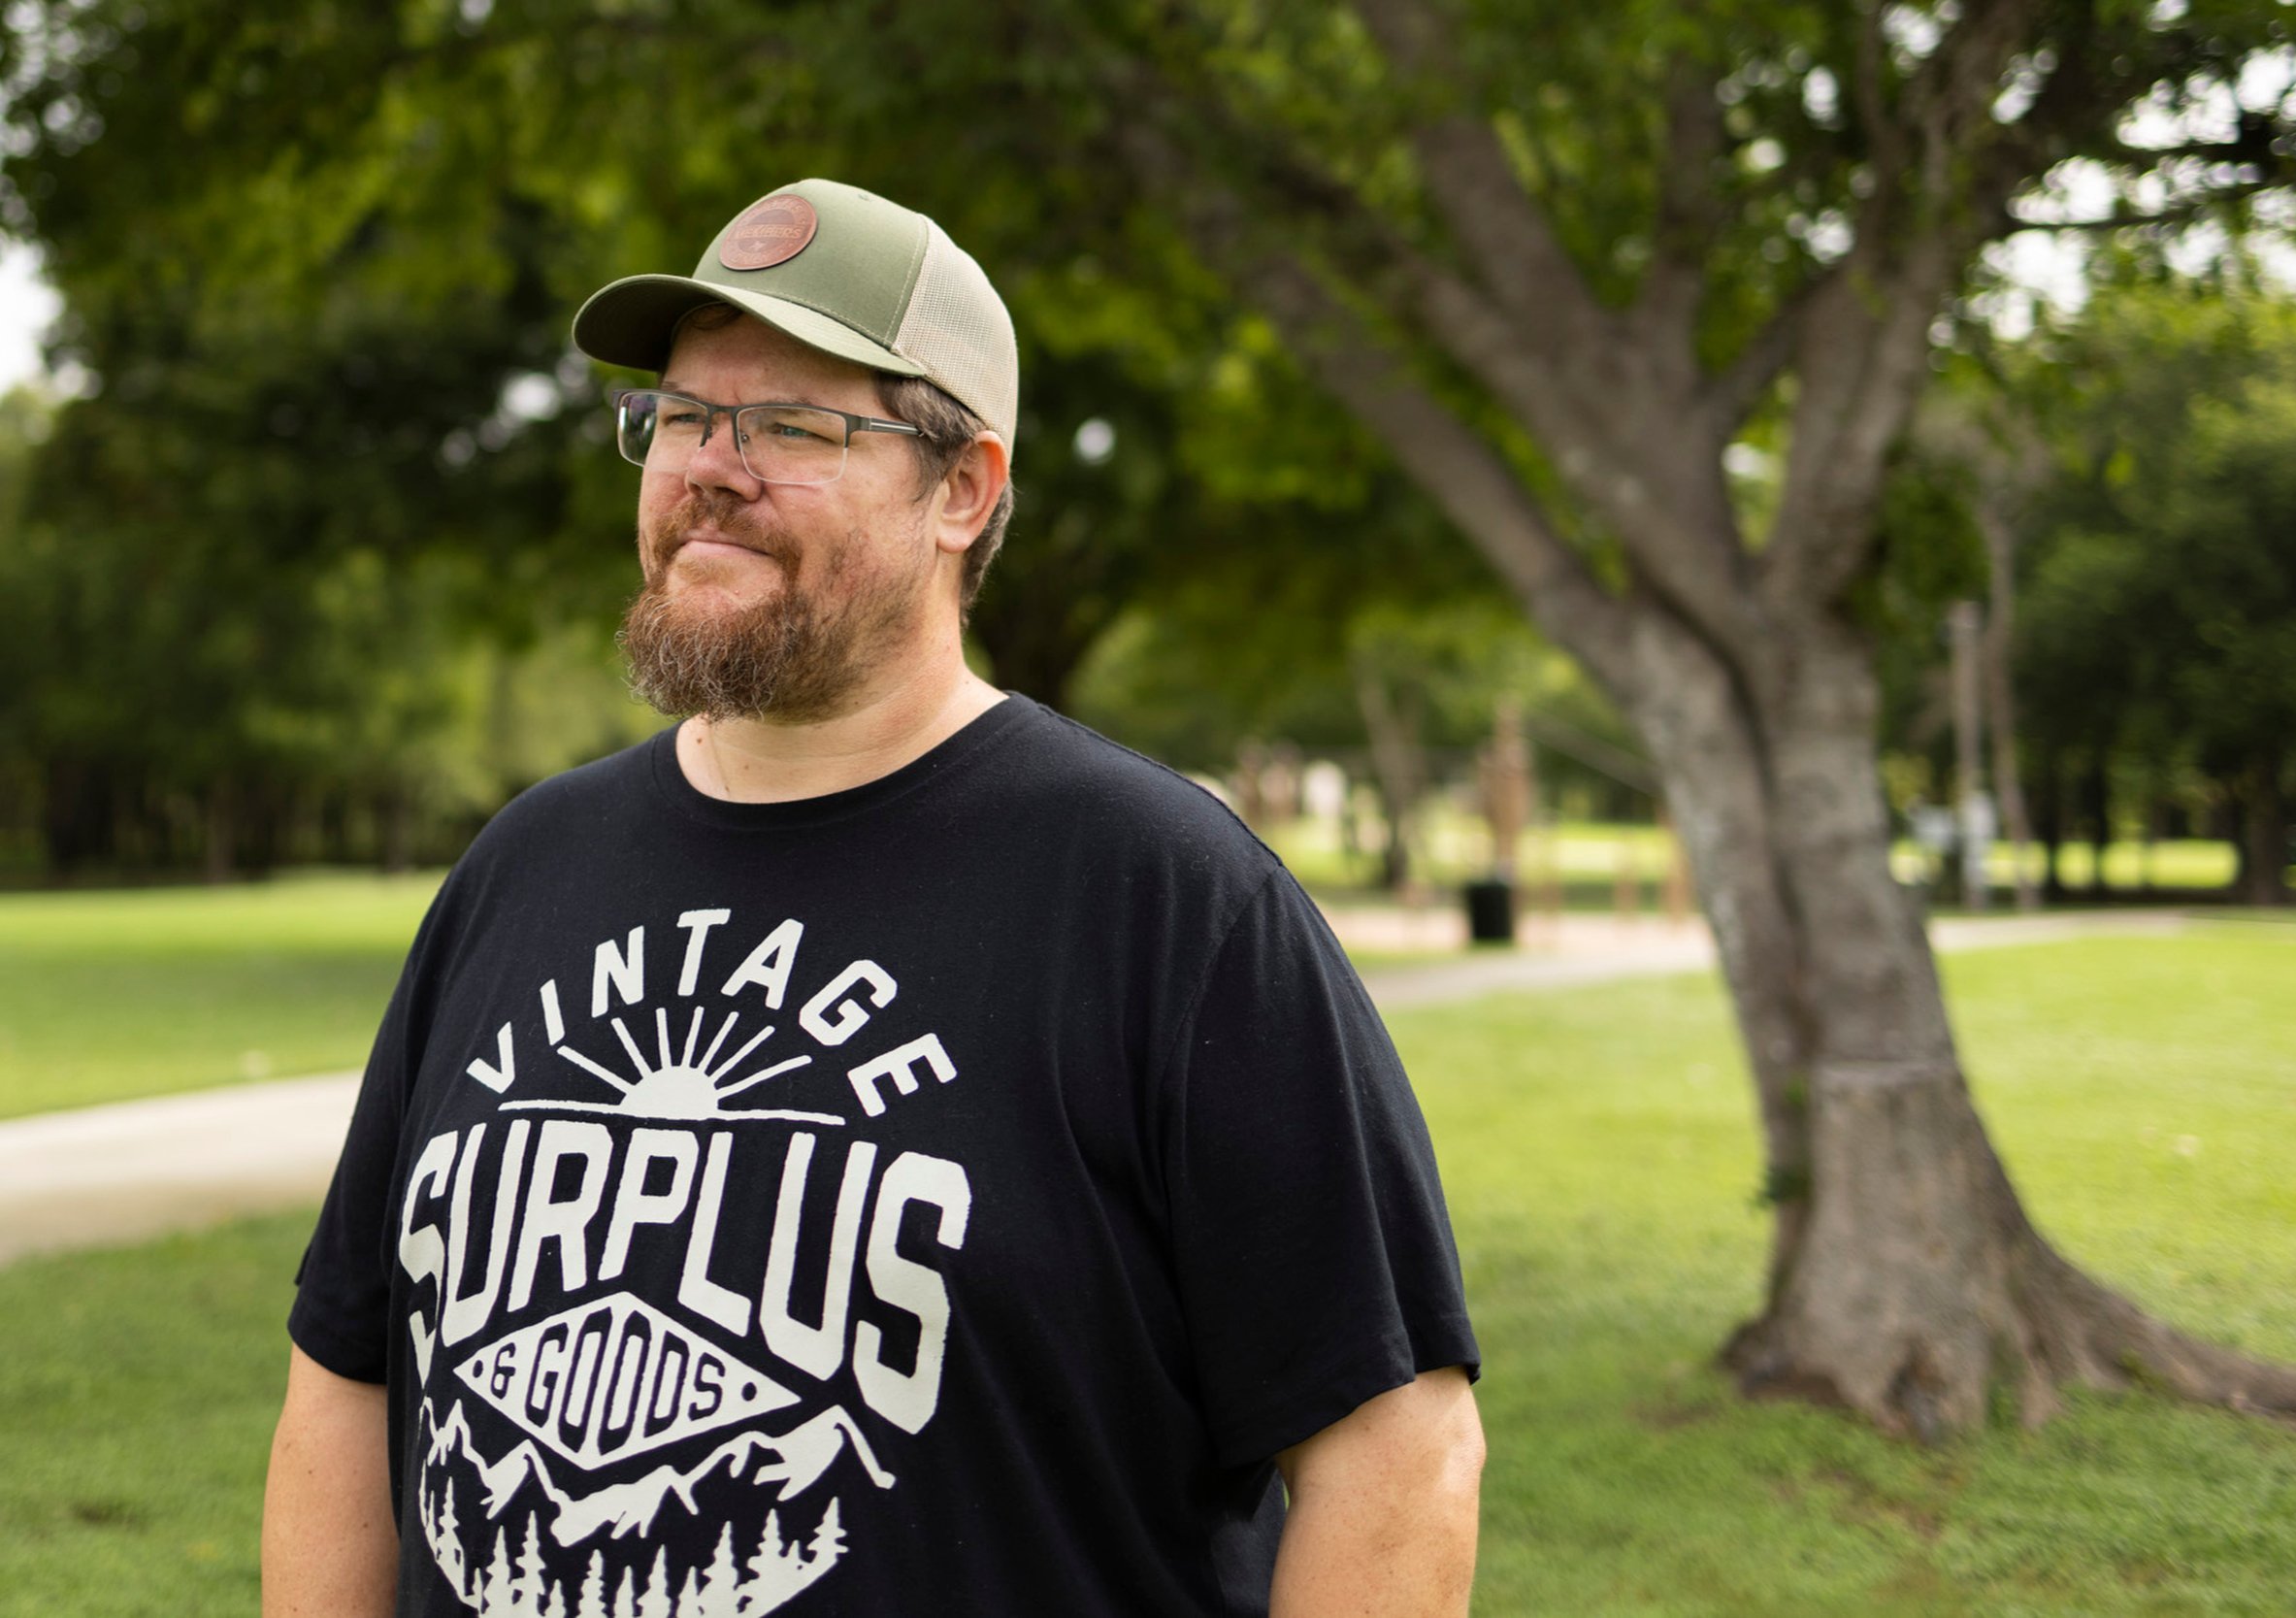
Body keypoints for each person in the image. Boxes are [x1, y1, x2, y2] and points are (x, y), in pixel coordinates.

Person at [262, 178, 1483, 1617]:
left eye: (792, 425)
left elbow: (1397, 1453)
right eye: (679, 418)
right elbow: (348, 1385)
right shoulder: (520, 869)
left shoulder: (1164, 897)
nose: (709, 466)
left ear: (961, 487)